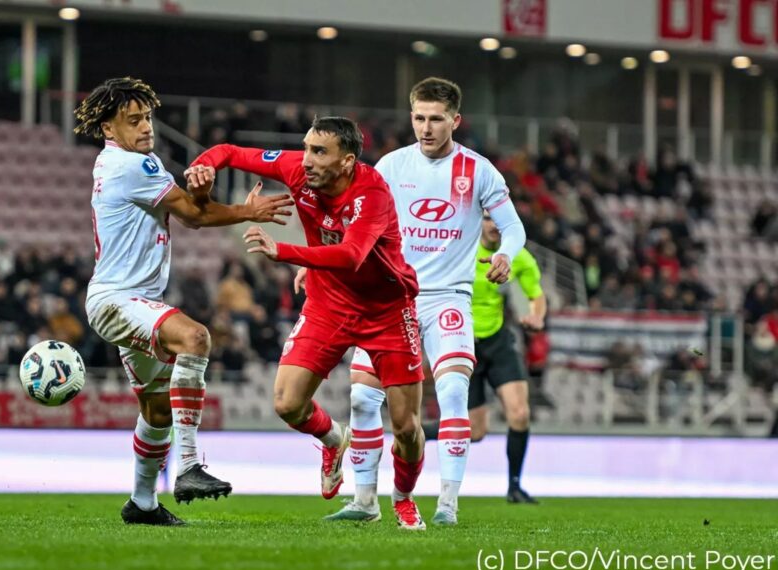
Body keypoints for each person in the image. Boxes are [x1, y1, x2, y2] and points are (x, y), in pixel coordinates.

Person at [189, 117, 429, 529]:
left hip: (386, 309)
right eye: (306, 148)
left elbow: (353, 255)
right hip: (329, 303)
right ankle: (335, 439)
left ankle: (403, 498)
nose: (308, 161)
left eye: (320, 152)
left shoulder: (372, 194)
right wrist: (203, 166)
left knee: (406, 427)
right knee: (287, 403)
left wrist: (285, 251)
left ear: (348, 161)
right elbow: (229, 151)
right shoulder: (297, 170)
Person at [75, 77, 293, 526]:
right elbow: (195, 216)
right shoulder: (129, 166)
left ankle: (142, 503)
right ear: (108, 130)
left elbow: (191, 209)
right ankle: (190, 465)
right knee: (195, 338)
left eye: (148, 117)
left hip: (129, 300)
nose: (145, 127)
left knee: (156, 410)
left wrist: (198, 189)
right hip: (118, 300)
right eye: (132, 121)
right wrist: (247, 211)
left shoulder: (133, 162)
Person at [321, 77, 526, 526]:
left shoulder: (478, 170)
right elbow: (355, 220)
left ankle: (448, 504)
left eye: (436, 119)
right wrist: (321, 259)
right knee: (360, 399)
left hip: (448, 298)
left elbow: (513, 227)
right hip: (390, 300)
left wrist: (506, 255)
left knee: (453, 390)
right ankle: (365, 501)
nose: (426, 128)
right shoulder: (391, 167)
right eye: (419, 118)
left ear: (455, 120)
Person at [424, 212, 545, 504]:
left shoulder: (518, 257)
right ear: (478, 221)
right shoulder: (458, 248)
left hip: (498, 340)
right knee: (475, 432)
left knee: (520, 414)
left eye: (498, 220)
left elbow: (536, 295)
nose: (493, 225)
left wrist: (537, 316)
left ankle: (515, 487)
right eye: (488, 218)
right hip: (461, 341)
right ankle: (412, 430)